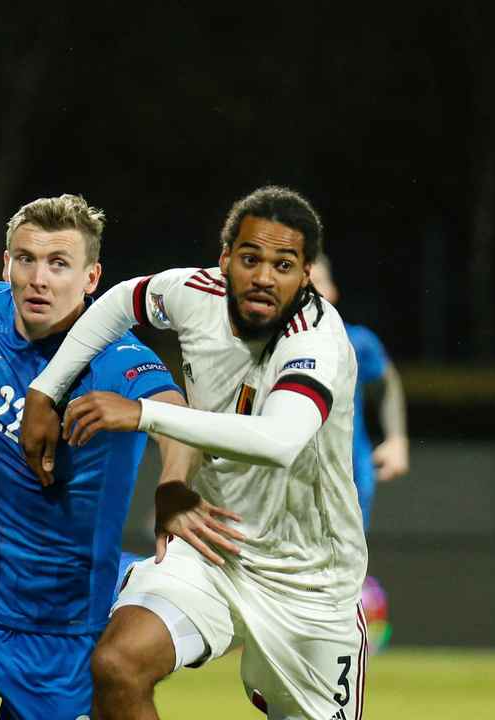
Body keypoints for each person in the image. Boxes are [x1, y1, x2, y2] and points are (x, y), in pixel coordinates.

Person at [0, 194, 240, 720]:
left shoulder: (119, 359)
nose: (38, 279)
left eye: (58, 264)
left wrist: (172, 485)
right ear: (6, 264)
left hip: (61, 635)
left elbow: (174, 416)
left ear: (91, 278)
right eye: (25, 259)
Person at [21, 186, 369, 720]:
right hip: (210, 542)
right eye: (250, 259)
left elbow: (278, 441)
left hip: (308, 579)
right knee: (117, 665)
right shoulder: (190, 292)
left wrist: (142, 413)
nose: (264, 277)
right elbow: (119, 302)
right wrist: (46, 389)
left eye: (284, 264)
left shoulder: (316, 339)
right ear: (226, 259)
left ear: (305, 276)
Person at [308, 255, 409, 530]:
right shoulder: (264, 344)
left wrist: (396, 439)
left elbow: (386, 381)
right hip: (286, 472)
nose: (310, 292)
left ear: (332, 291)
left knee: (344, 561)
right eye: (302, 284)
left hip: (348, 471)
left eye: (317, 282)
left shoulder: (358, 342)